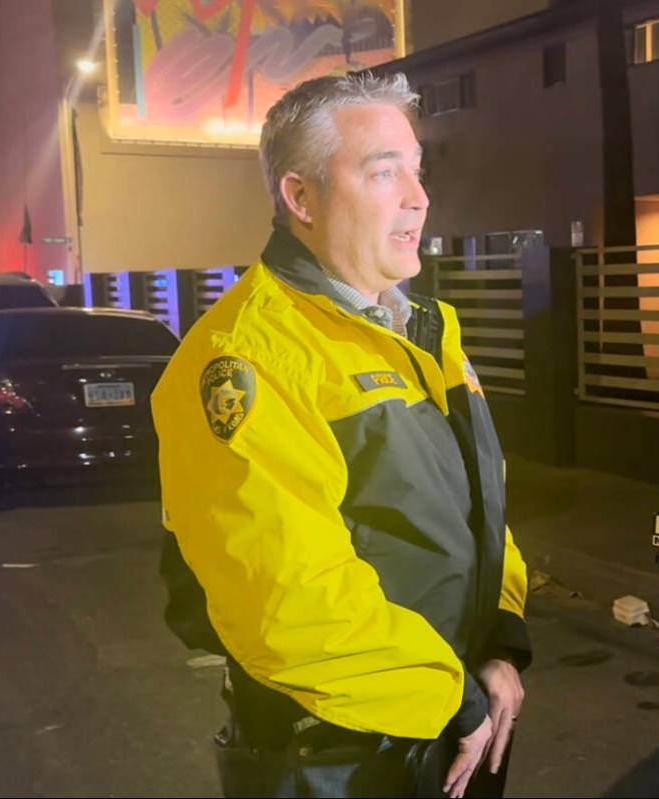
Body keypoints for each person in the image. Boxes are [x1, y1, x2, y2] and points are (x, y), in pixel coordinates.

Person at [151, 71, 531, 798]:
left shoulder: (420, 331)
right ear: (301, 197)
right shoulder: (245, 358)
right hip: (339, 758)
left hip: (454, 723)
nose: (418, 197)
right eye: (384, 172)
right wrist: (454, 697)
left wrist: (501, 640)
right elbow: (288, 602)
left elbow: (481, 513)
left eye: (417, 170)